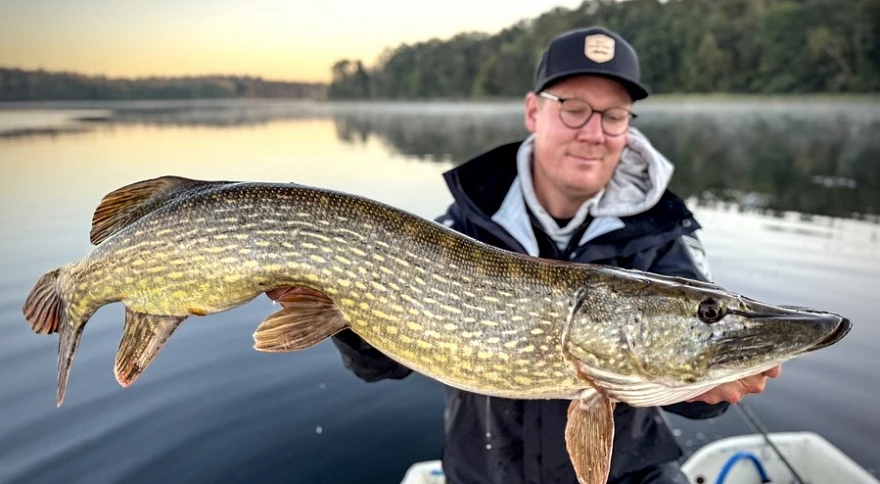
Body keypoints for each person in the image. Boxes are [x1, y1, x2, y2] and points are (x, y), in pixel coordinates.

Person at [278, 26, 781, 484]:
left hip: (632, 476)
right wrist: (333, 300)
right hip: (484, 475)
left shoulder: (664, 234)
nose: (594, 133)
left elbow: (693, 391)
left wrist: (710, 385)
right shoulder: (463, 226)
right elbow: (379, 366)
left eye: (614, 116)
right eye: (574, 108)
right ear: (533, 112)